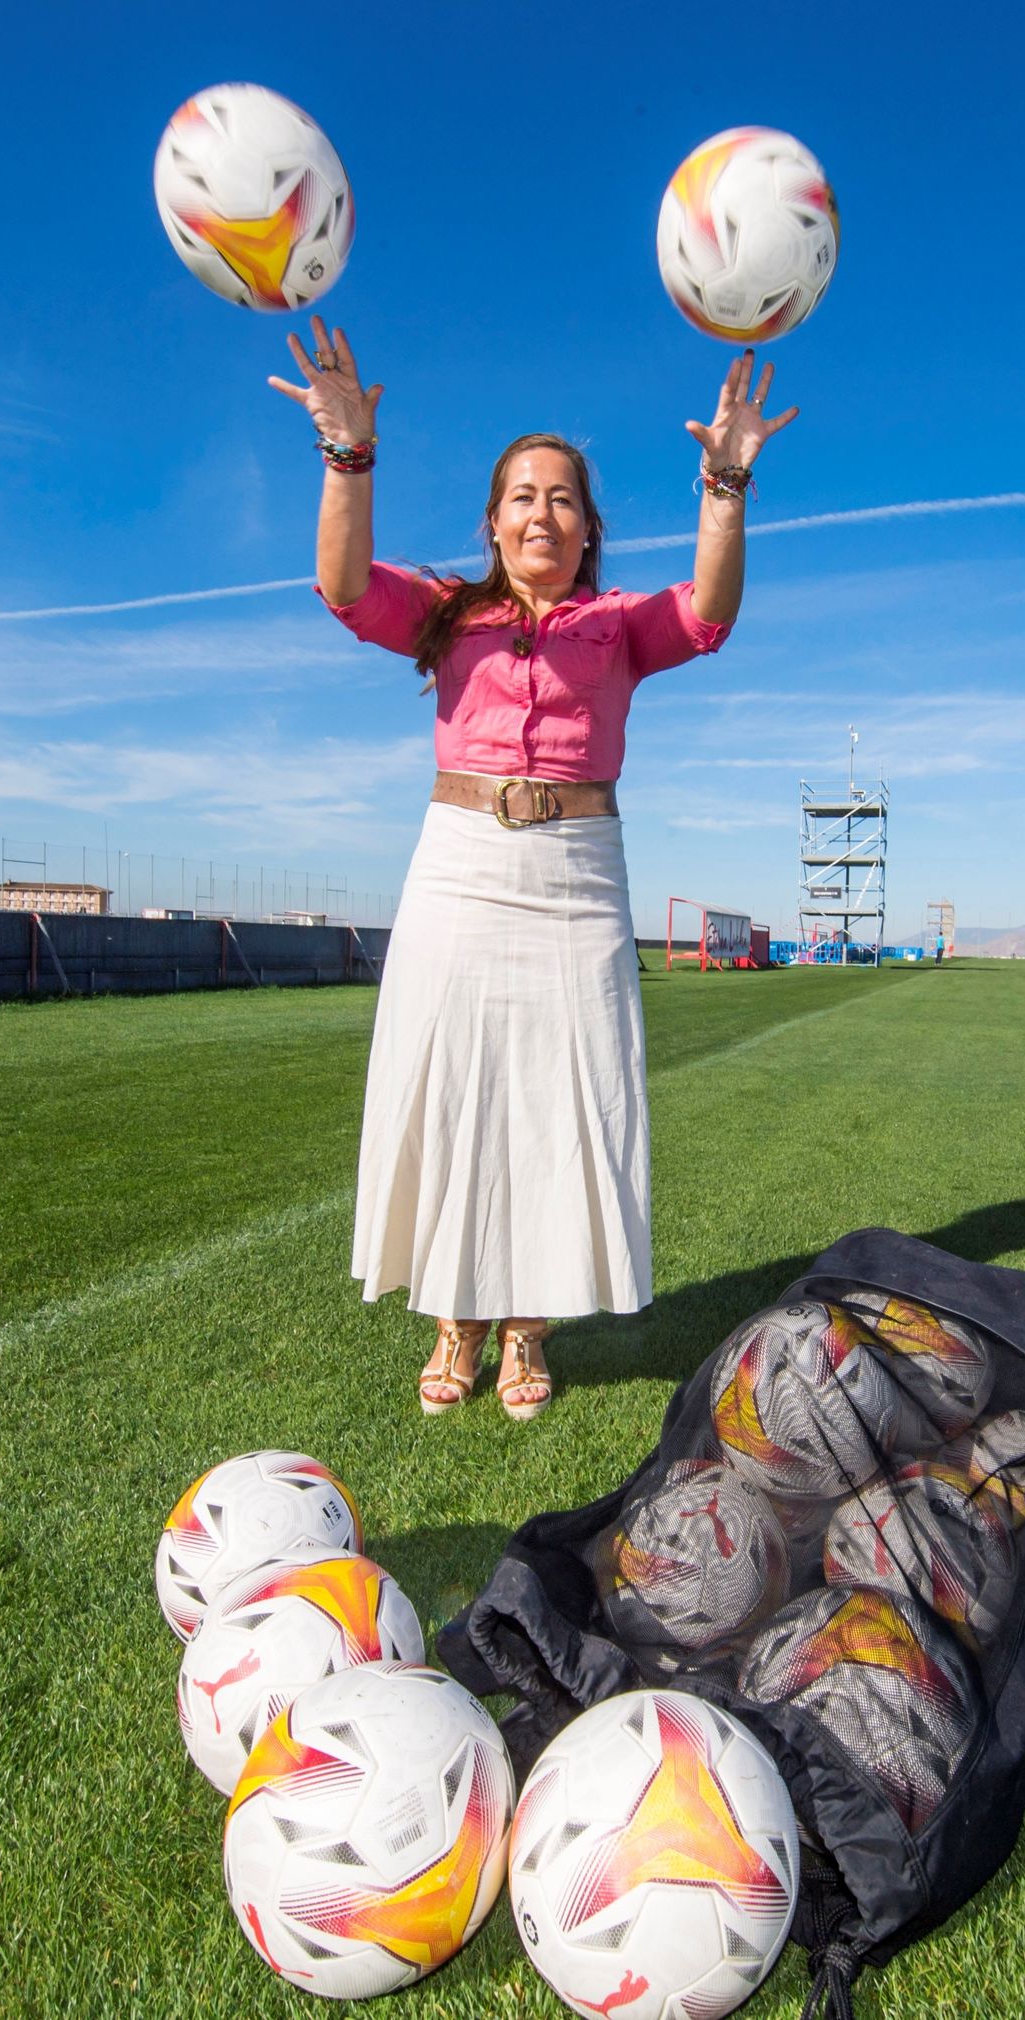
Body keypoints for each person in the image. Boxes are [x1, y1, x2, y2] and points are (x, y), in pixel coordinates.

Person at [270, 315, 796, 1420]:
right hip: (460, 864)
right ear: (493, 520)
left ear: (588, 526)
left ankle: (525, 1332)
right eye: (521, 495)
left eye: (561, 497)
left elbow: (709, 611)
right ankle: (455, 1323)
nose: (540, 512)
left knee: (564, 1102)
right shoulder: (445, 610)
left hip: (577, 873)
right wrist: (347, 454)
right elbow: (341, 582)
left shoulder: (617, 624)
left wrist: (724, 483)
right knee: (453, 1086)